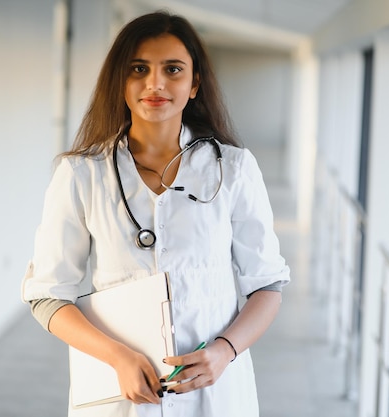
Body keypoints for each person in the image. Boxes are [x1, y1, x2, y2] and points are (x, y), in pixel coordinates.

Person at [21, 10, 290, 417]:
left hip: (214, 395)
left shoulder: (233, 169)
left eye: (173, 69)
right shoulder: (81, 173)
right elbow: (46, 295)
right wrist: (117, 357)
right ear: (120, 81)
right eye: (139, 68)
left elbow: (267, 285)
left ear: (194, 83)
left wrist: (225, 351)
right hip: (119, 393)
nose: (155, 83)